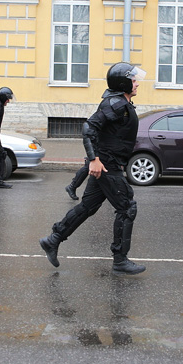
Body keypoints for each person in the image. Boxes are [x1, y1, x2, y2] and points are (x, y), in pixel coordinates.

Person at [39, 62, 148, 276]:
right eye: (133, 80)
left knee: (88, 206)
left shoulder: (121, 103)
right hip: (107, 166)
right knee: (127, 208)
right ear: (122, 82)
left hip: (109, 163)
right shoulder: (115, 104)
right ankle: (120, 260)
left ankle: (53, 240)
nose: (137, 84)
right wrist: (94, 160)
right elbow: (88, 129)